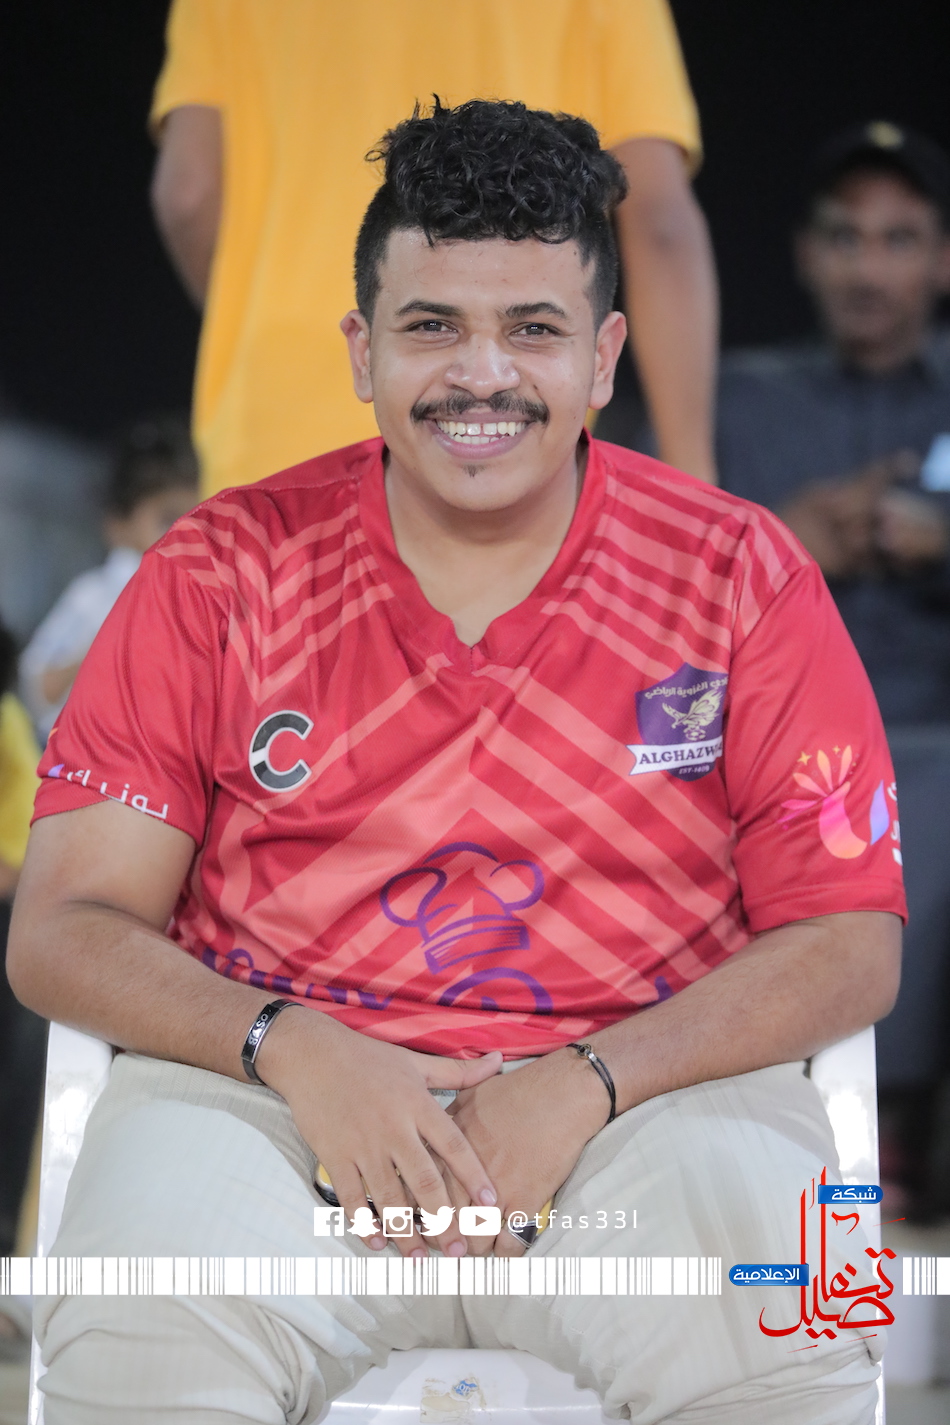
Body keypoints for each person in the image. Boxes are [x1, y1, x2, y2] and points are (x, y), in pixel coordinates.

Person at [9, 101, 903, 1424]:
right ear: (361, 350)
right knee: (141, 1326)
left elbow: (846, 940)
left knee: (791, 1318)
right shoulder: (218, 572)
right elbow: (64, 927)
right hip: (269, 1118)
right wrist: (292, 1048)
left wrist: (588, 1082)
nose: (481, 376)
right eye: (431, 326)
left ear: (603, 357)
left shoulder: (736, 575)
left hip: (647, 1113)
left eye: (532, 329)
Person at [149, 0, 718, 493]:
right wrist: (691, 481)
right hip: (506, 445)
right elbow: (660, 227)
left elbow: (188, 193)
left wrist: (254, 313)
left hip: (274, 432)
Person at [714, 122, 950, 727]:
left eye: (899, 240)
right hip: (772, 748)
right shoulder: (729, 402)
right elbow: (632, 581)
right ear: (806, 254)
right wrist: (778, 550)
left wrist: (942, 543)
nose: (867, 272)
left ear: (944, 258)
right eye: (844, 237)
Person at [20, 416, 199, 740]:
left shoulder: (195, 597)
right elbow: (39, 687)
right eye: (167, 519)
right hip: (86, 754)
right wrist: (104, 645)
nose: (180, 535)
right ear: (118, 525)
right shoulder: (94, 596)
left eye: (193, 521)